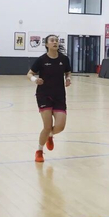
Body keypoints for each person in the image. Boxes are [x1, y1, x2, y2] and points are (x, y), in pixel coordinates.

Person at [26, 35, 72, 163]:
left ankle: (50, 135)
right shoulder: (41, 60)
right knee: (47, 127)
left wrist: (68, 78)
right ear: (46, 44)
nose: (55, 42)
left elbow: (68, 71)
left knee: (60, 126)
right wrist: (35, 79)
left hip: (59, 95)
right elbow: (29, 74)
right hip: (44, 95)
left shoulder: (64, 59)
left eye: (56, 40)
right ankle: (39, 151)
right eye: (52, 41)